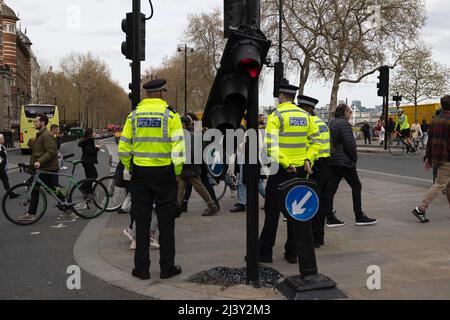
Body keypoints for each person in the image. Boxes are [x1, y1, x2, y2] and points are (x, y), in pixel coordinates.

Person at [119, 78, 185, 281]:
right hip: (164, 174)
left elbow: (123, 147)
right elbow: (179, 148)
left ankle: (141, 269)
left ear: (147, 94)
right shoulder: (171, 116)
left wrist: (131, 167)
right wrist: (176, 172)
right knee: (166, 223)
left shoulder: (133, 116)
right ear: (162, 92)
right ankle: (167, 268)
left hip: (140, 174)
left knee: (142, 221)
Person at [259, 83, 321, 264]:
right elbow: (316, 141)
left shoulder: (276, 115)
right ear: (293, 97)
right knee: (296, 212)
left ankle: (265, 252)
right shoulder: (306, 116)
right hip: (301, 169)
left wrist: (286, 162)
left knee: (272, 212)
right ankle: (292, 253)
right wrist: (309, 158)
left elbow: (270, 146)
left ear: (280, 96)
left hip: (281, 169)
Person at [326, 104, 377, 227]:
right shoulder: (344, 124)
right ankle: (359, 216)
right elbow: (350, 144)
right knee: (356, 186)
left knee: (331, 190)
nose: (351, 114)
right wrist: (354, 158)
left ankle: (329, 217)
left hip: (333, 161)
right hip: (344, 162)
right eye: (350, 112)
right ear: (344, 113)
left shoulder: (331, 122)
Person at [297, 95, 331, 249]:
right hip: (326, 164)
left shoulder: (307, 123)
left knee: (309, 201)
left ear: (305, 109)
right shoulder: (322, 123)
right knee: (322, 202)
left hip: (312, 165)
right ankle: (319, 237)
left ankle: (309, 236)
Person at [412, 95, 450, 222]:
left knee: (447, 186)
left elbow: (430, 141)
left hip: (438, 158)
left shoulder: (434, 120)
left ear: (442, 105)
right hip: (448, 158)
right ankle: (421, 208)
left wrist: (428, 158)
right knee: (439, 185)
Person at [18, 114, 59, 221]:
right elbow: (35, 148)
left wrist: (39, 162)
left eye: (36, 121)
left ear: (43, 122)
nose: (34, 123)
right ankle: (31, 213)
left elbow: (52, 152)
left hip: (48, 168)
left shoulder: (47, 135)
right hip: (43, 169)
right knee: (36, 188)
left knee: (53, 189)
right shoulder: (40, 135)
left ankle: (68, 207)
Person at [177, 116, 219, 217]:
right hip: (189, 166)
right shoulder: (192, 133)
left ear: (183, 124)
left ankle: (212, 205)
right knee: (180, 189)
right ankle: (176, 208)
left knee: (198, 187)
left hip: (189, 167)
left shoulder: (187, 134)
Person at [230, 120, 266, 213]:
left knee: (249, 183)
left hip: (250, 160)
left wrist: (239, 145)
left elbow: (248, 147)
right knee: (251, 182)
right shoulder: (252, 131)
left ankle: (242, 203)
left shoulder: (252, 132)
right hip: (247, 160)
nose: (245, 122)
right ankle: (242, 202)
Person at [78, 129, 99, 196]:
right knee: (94, 176)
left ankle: (89, 192)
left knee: (89, 177)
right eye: (93, 132)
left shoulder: (85, 140)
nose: (94, 133)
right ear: (90, 133)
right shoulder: (89, 140)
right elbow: (89, 151)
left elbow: (87, 150)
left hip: (85, 161)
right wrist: (97, 148)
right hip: (88, 161)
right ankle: (83, 187)